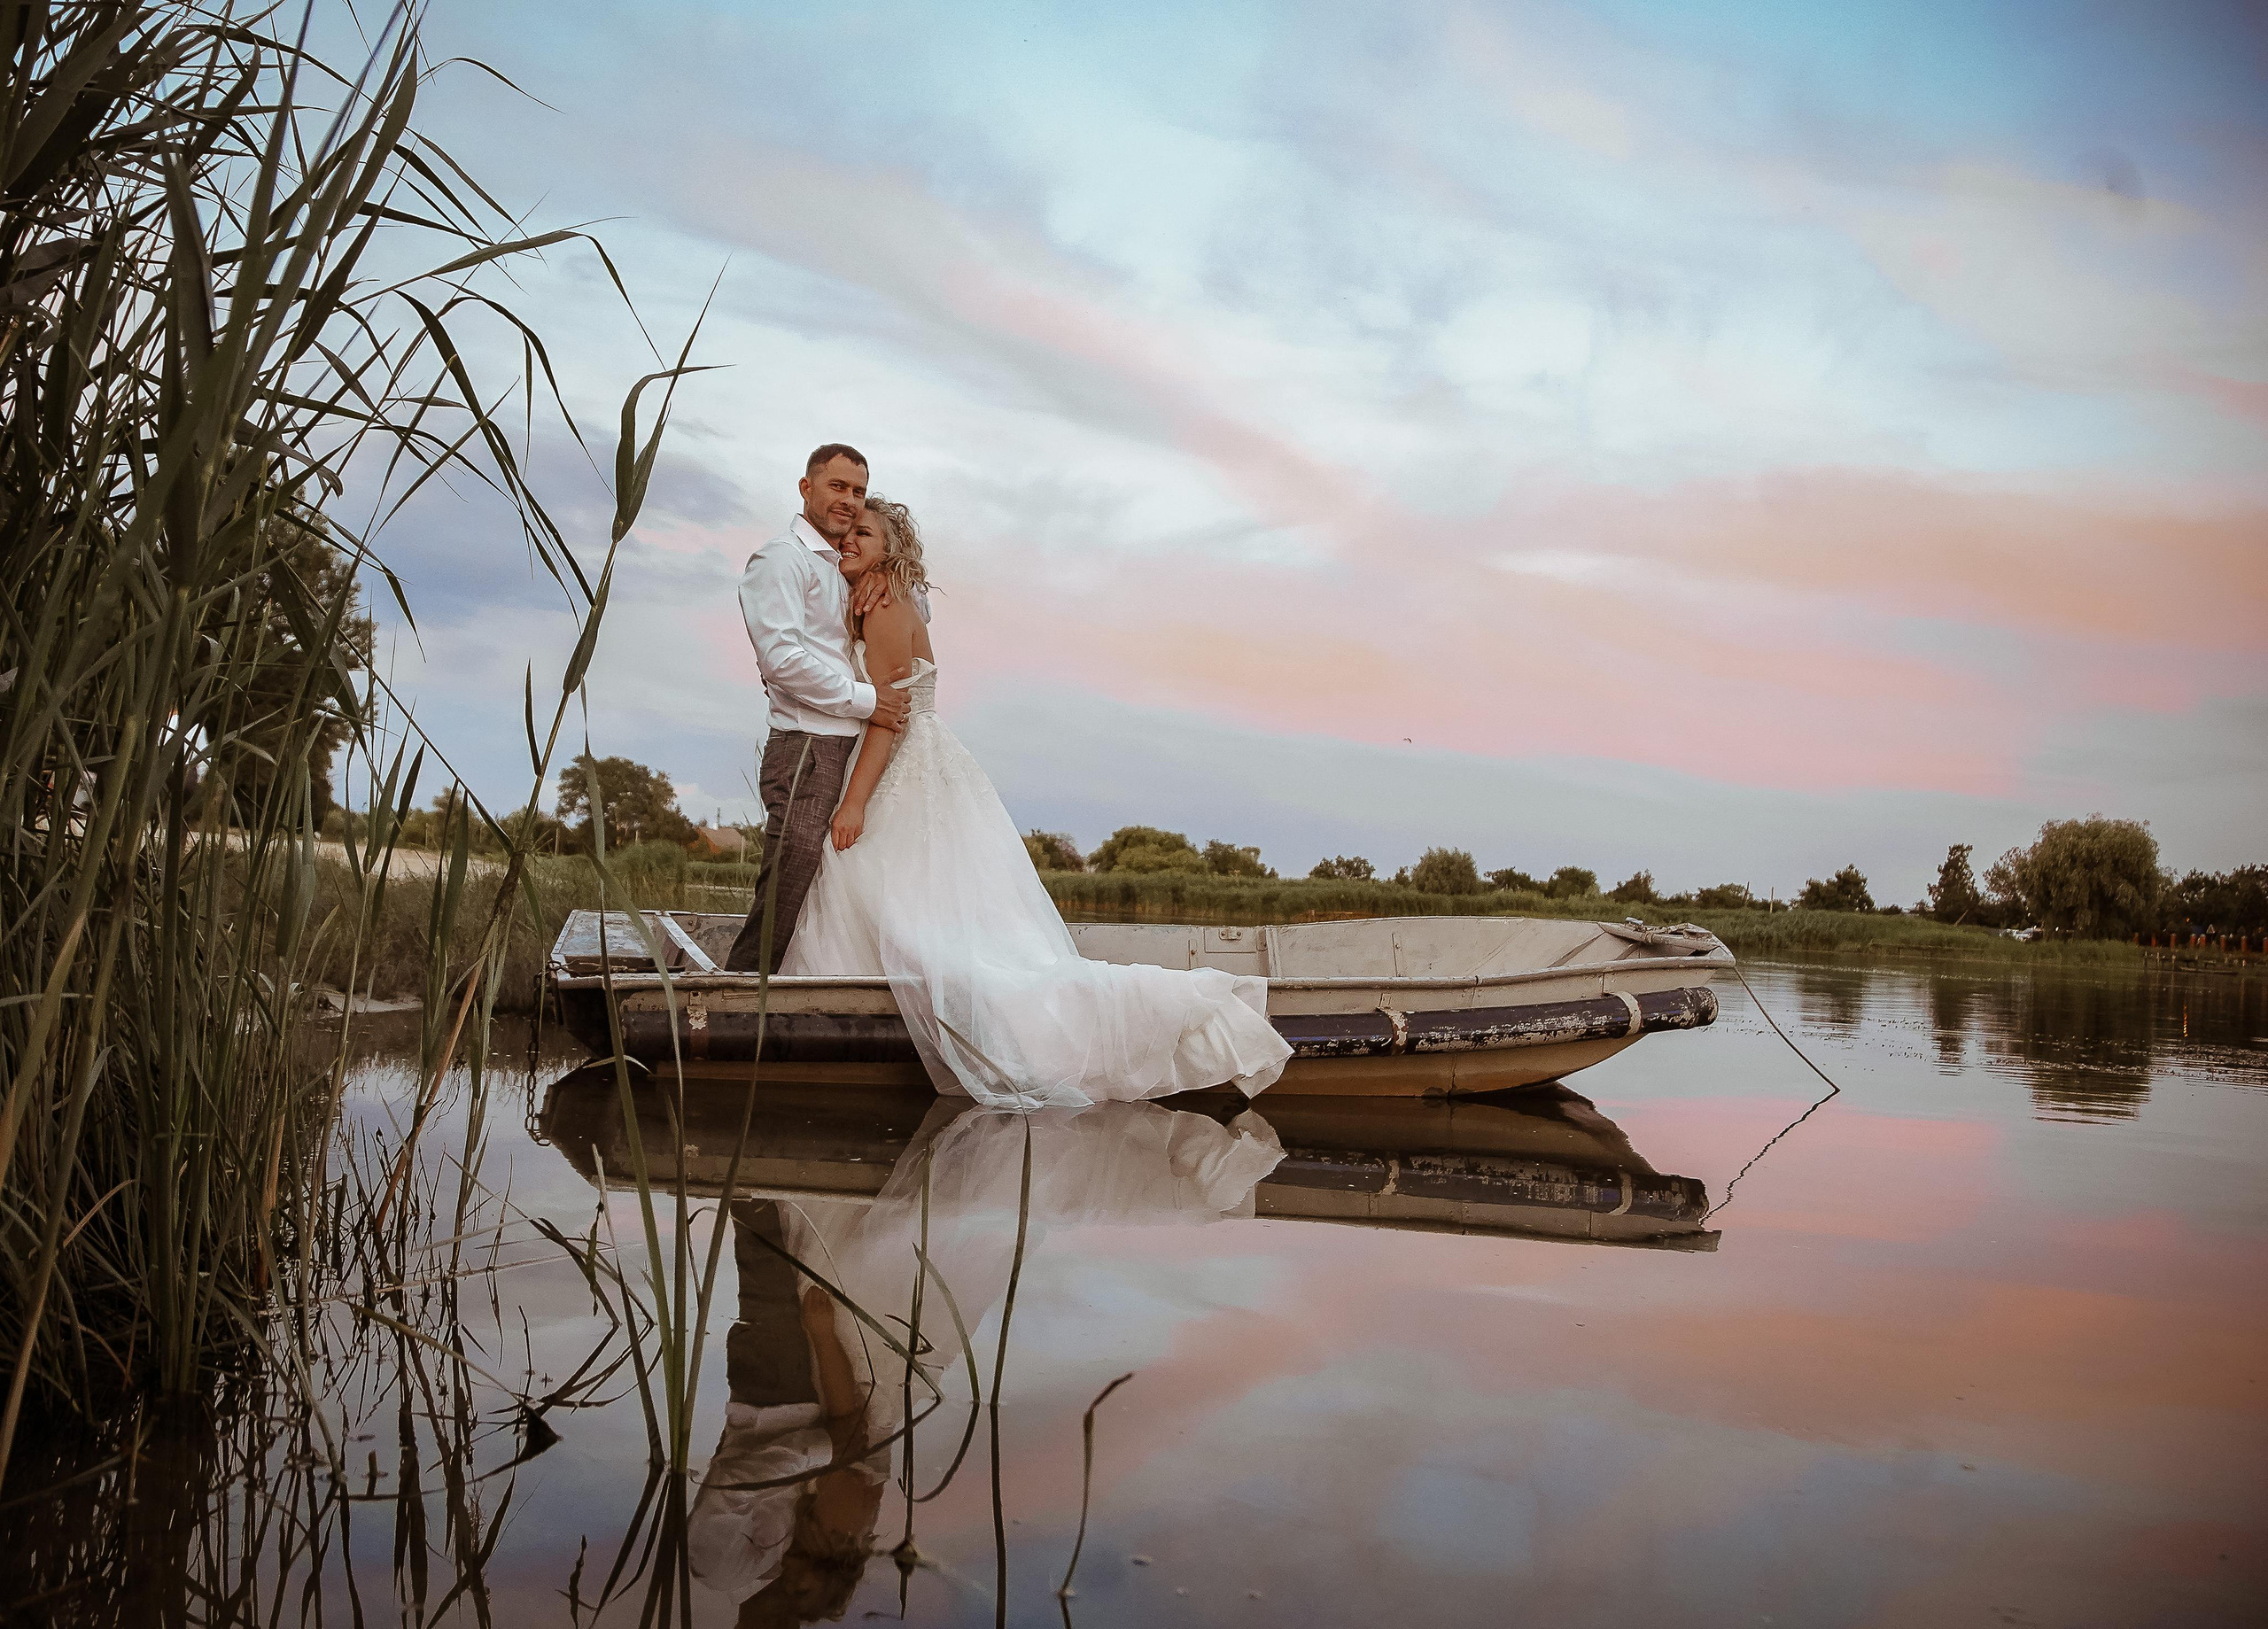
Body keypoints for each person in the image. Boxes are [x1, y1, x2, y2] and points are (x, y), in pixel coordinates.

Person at [778, 496, 1292, 1109]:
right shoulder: (885, 596)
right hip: (926, 766)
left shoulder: (885, 606)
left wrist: (853, 803)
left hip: (901, 770)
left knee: (882, 891)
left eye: (864, 533)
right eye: (845, 531)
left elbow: (889, 720)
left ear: (891, 551)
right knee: (930, 913)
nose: (848, 540)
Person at [725, 445, 913, 972]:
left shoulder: (839, 565)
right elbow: (781, 658)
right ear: (806, 488)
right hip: (808, 743)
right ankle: (742, 985)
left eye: (858, 491)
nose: (849, 501)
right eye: (837, 487)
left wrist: (882, 570)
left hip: (843, 746)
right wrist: (869, 702)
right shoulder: (781, 559)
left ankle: (795, 981)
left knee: (823, 877)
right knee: (792, 871)